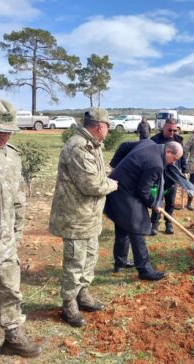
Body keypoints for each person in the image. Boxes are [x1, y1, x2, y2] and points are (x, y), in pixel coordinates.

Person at [49, 108, 118, 328]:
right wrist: (114, 184)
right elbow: (93, 184)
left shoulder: (93, 145)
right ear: (100, 127)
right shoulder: (78, 147)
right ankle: (69, 303)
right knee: (75, 262)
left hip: (90, 216)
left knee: (90, 256)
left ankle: (83, 294)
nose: (107, 131)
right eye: (107, 126)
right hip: (76, 217)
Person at [0, 99, 41, 358]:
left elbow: (18, 199)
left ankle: (13, 337)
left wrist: (16, 232)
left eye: (8, 130)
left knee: (10, 291)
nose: (4, 136)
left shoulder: (12, 156)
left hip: (3, 243)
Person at [105, 140, 183, 281]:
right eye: (174, 159)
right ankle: (144, 269)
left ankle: (120, 262)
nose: (173, 163)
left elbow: (126, 146)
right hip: (123, 190)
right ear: (168, 152)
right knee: (137, 226)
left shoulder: (149, 143)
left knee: (123, 225)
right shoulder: (156, 164)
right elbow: (143, 191)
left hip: (117, 185)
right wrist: (154, 204)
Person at [150, 117, 188, 235]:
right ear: (164, 128)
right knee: (157, 200)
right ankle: (155, 224)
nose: (172, 133)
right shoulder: (155, 140)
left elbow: (183, 157)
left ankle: (169, 223)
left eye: (174, 130)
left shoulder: (178, 140)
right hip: (158, 176)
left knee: (170, 201)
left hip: (172, 176)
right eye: (170, 130)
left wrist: (185, 170)